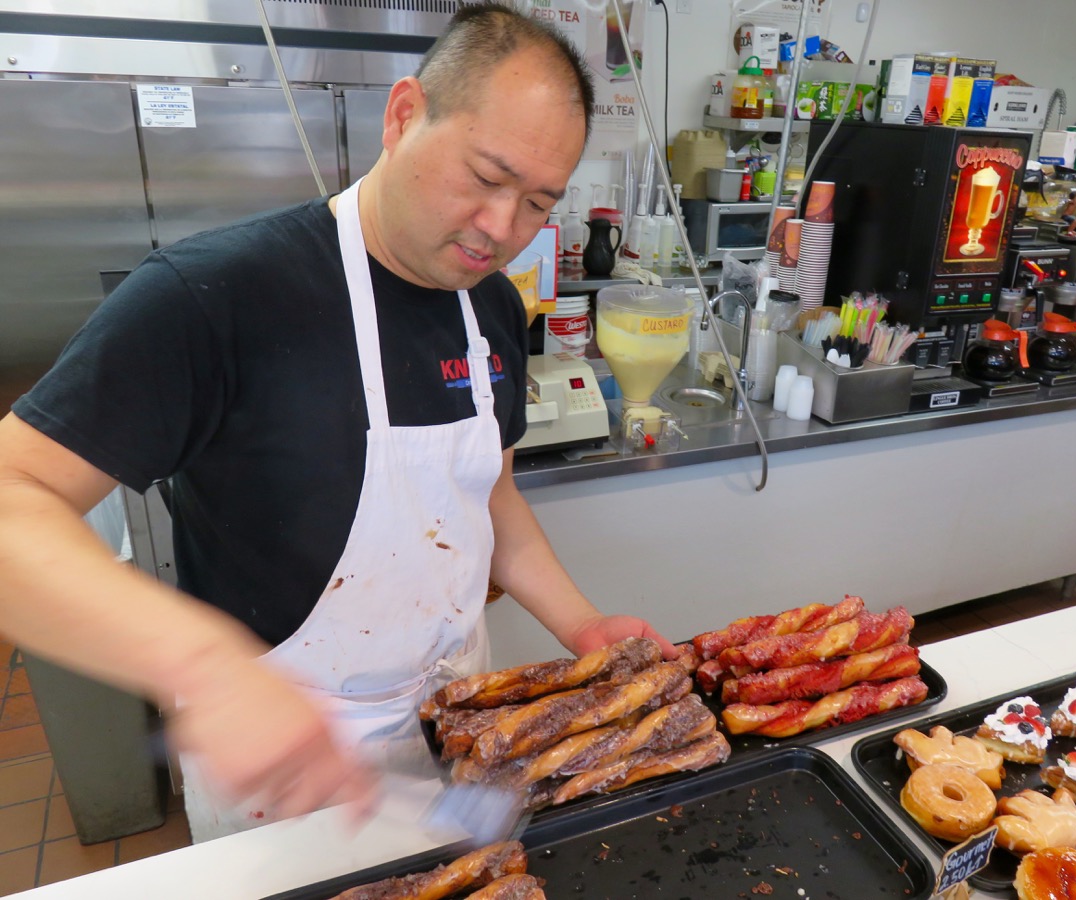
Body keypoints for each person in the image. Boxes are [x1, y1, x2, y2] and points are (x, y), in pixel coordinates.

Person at [0, 3, 675, 842]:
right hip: (280, 757)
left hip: (461, 718)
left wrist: (581, 626)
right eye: (486, 176)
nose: (503, 229)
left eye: (539, 202)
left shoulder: (494, 307)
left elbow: (487, 495)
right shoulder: (214, 297)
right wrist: (206, 672)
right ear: (403, 116)